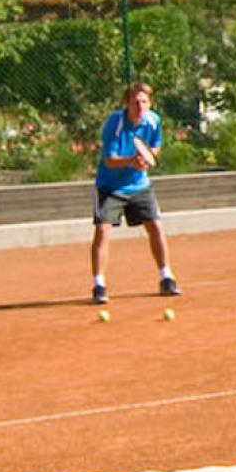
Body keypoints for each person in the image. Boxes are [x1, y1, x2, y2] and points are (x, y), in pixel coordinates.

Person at [92, 82, 180, 305]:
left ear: (150, 103)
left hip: (140, 185)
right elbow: (109, 160)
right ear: (127, 104)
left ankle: (166, 278)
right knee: (103, 231)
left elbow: (156, 146)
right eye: (135, 102)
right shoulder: (115, 123)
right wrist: (133, 161)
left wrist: (148, 157)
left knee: (156, 226)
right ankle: (99, 285)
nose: (140, 106)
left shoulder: (153, 120)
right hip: (110, 187)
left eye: (144, 101)